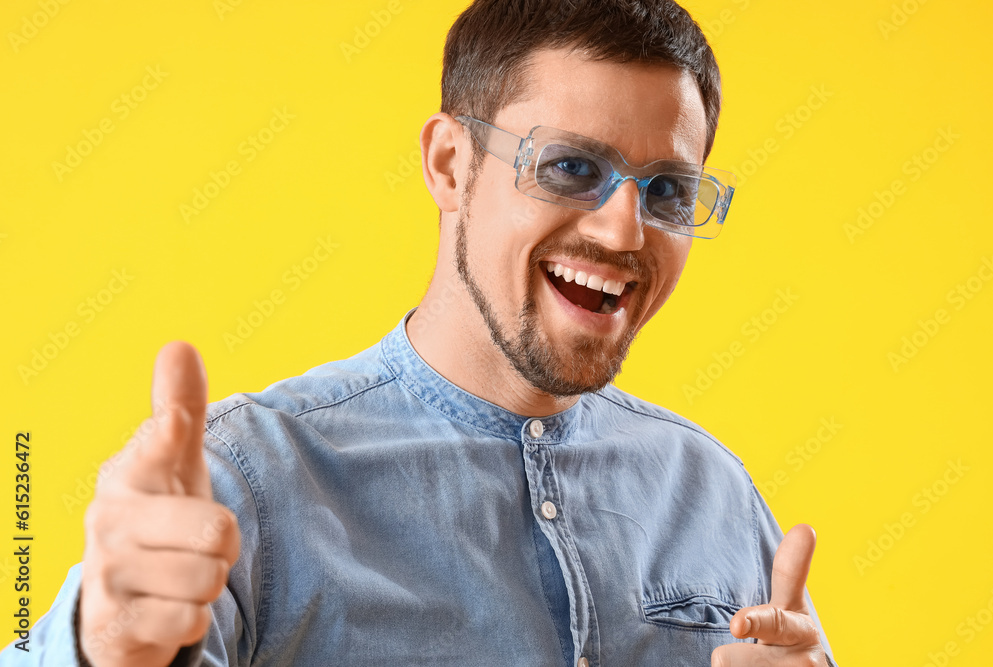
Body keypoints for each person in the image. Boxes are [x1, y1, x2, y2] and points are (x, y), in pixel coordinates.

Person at [5, 1, 838, 665]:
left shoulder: (713, 493)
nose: (624, 233)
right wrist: (102, 644)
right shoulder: (250, 481)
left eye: (665, 191)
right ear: (449, 163)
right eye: (571, 168)